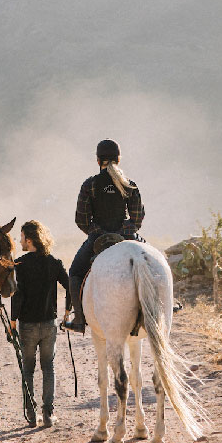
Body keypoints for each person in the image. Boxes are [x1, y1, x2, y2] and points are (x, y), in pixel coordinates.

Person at [62, 139, 145, 333]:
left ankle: (80, 320)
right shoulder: (129, 185)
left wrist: (96, 232)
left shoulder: (89, 185)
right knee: (156, 261)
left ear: (98, 161)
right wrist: (126, 230)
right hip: (126, 238)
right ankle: (163, 305)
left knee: (74, 273)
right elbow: (138, 218)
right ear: (118, 159)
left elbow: (81, 220)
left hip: (98, 240)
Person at [10, 220, 69, 428]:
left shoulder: (20, 264)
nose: (19, 241)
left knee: (28, 369)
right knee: (48, 368)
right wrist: (67, 312)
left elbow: (17, 295)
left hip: (27, 325)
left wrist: (12, 320)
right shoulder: (54, 262)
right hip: (49, 324)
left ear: (29, 239)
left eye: (21, 237)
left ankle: (31, 414)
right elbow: (69, 286)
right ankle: (48, 414)